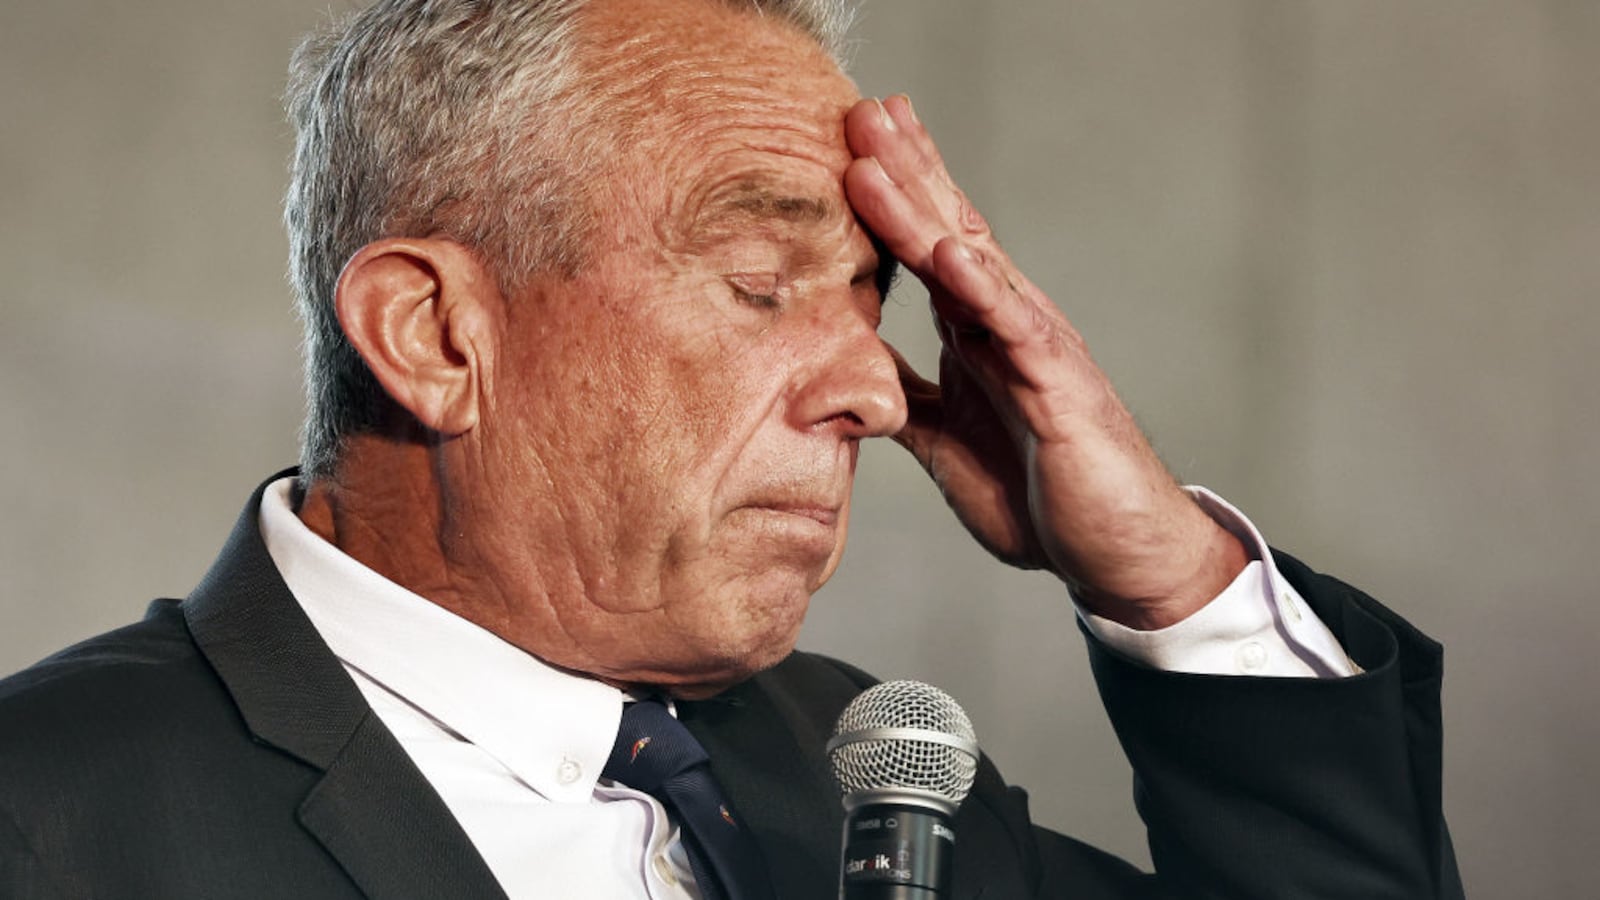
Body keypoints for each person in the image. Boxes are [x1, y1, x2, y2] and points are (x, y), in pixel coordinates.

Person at [0, 0, 1462, 897]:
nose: (879, 392)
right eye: (763, 284)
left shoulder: (886, 779)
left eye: (869, 304)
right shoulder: (46, 821)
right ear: (437, 335)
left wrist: (1168, 580)